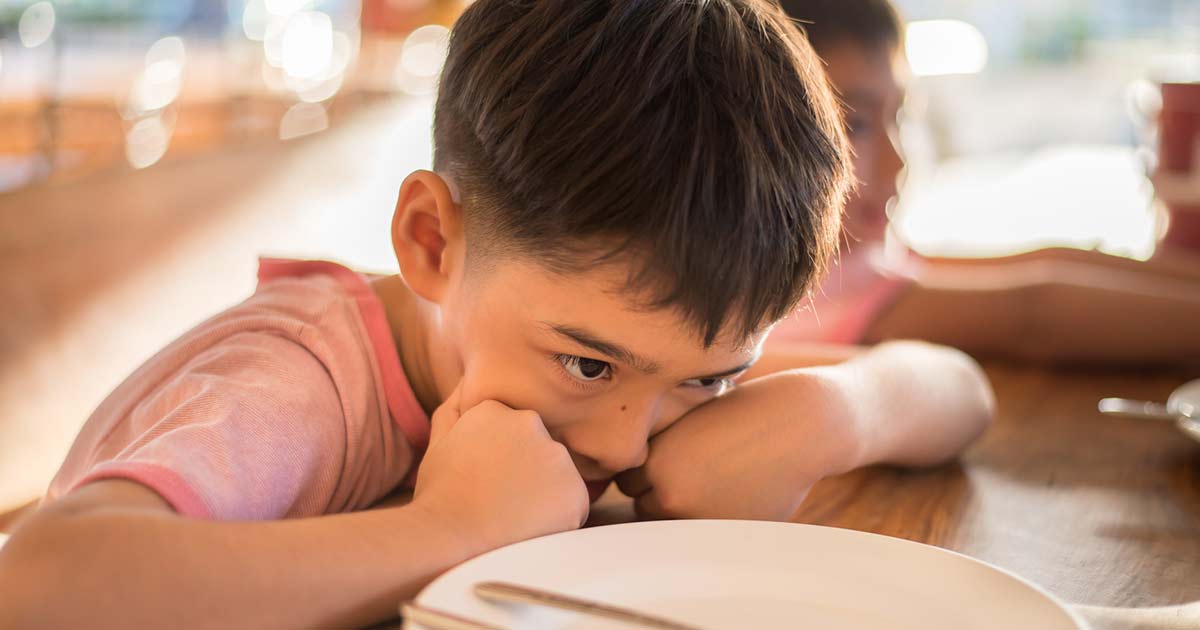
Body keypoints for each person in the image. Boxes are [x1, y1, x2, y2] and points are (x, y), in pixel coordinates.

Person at [0, 1, 993, 627]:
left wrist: (831, 417)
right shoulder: (298, 385)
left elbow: (959, 388)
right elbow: (41, 586)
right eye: (589, 367)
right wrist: (452, 527)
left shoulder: (628, 357)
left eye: (710, 377)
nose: (621, 439)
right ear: (433, 242)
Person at [774, 0, 1200, 366]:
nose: (898, 160)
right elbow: (1032, 315)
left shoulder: (849, 261)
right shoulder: (801, 304)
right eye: (854, 124)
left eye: (899, 116)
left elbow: (1046, 261)